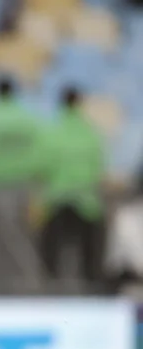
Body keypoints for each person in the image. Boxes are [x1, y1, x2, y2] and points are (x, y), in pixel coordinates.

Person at [34, 88, 106, 288]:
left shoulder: (51, 133)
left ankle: (51, 284)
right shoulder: (91, 134)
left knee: (51, 250)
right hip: (87, 202)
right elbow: (98, 169)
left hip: (56, 201)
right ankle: (92, 285)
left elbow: (41, 168)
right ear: (79, 104)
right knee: (91, 250)